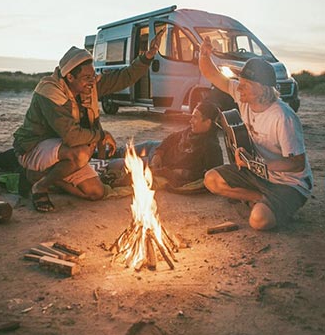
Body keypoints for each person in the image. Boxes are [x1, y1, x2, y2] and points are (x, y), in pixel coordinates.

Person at [13, 33, 162, 212]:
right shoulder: (50, 92)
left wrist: (148, 56)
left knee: (96, 192)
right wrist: (101, 135)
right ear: (70, 78)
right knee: (82, 152)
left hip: (63, 150)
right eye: (87, 77)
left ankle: (40, 176)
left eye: (93, 75)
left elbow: (124, 77)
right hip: (34, 148)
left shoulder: (88, 84)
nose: (93, 81)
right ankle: (41, 186)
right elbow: (73, 137)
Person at [199, 37, 313, 231]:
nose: (239, 87)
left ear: (262, 89)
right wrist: (204, 55)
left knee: (258, 221)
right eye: (240, 82)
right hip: (258, 175)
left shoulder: (283, 118)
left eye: (246, 84)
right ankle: (259, 198)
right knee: (211, 179)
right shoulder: (244, 98)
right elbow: (212, 74)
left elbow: (296, 164)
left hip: (289, 183)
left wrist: (256, 164)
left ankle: (276, 205)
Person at [107, 100, 223, 187]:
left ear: (207, 122)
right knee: (122, 151)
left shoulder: (210, 147)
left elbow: (196, 175)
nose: (190, 121)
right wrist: (158, 153)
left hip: (159, 165)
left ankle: (102, 161)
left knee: (114, 165)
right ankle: (100, 153)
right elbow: (172, 137)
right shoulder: (193, 131)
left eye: (195, 118)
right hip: (158, 149)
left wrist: (161, 170)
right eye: (192, 116)